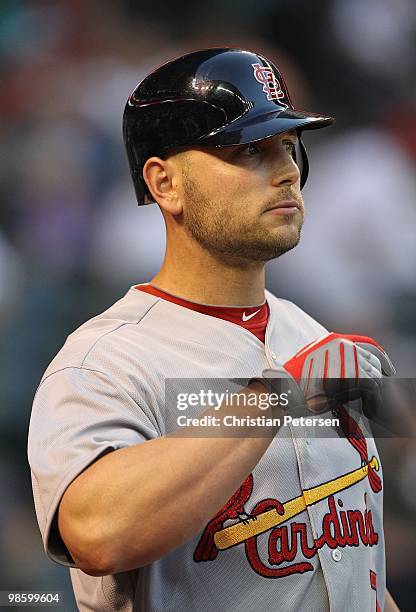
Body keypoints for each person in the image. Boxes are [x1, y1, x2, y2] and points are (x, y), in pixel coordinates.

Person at [28, 48, 400, 611]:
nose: (287, 170)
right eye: (249, 149)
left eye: (287, 146)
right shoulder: (106, 361)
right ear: (165, 184)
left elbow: (355, 574)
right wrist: (280, 396)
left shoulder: (311, 335)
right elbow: (97, 532)